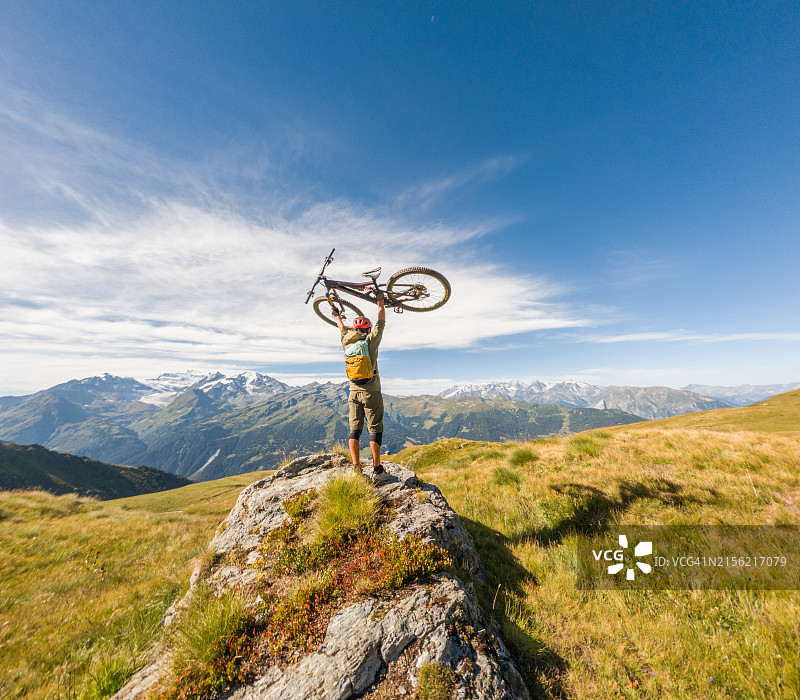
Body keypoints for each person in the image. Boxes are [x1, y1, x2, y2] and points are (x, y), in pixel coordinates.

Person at [332, 292, 389, 484]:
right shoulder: (370, 341)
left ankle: (356, 468)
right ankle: (377, 470)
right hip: (371, 391)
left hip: (353, 391)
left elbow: (341, 328)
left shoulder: (346, 341)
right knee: (375, 429)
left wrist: (337, 315)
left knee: (354, 429)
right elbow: (381, 321)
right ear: (367, 329)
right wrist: (380, 302)